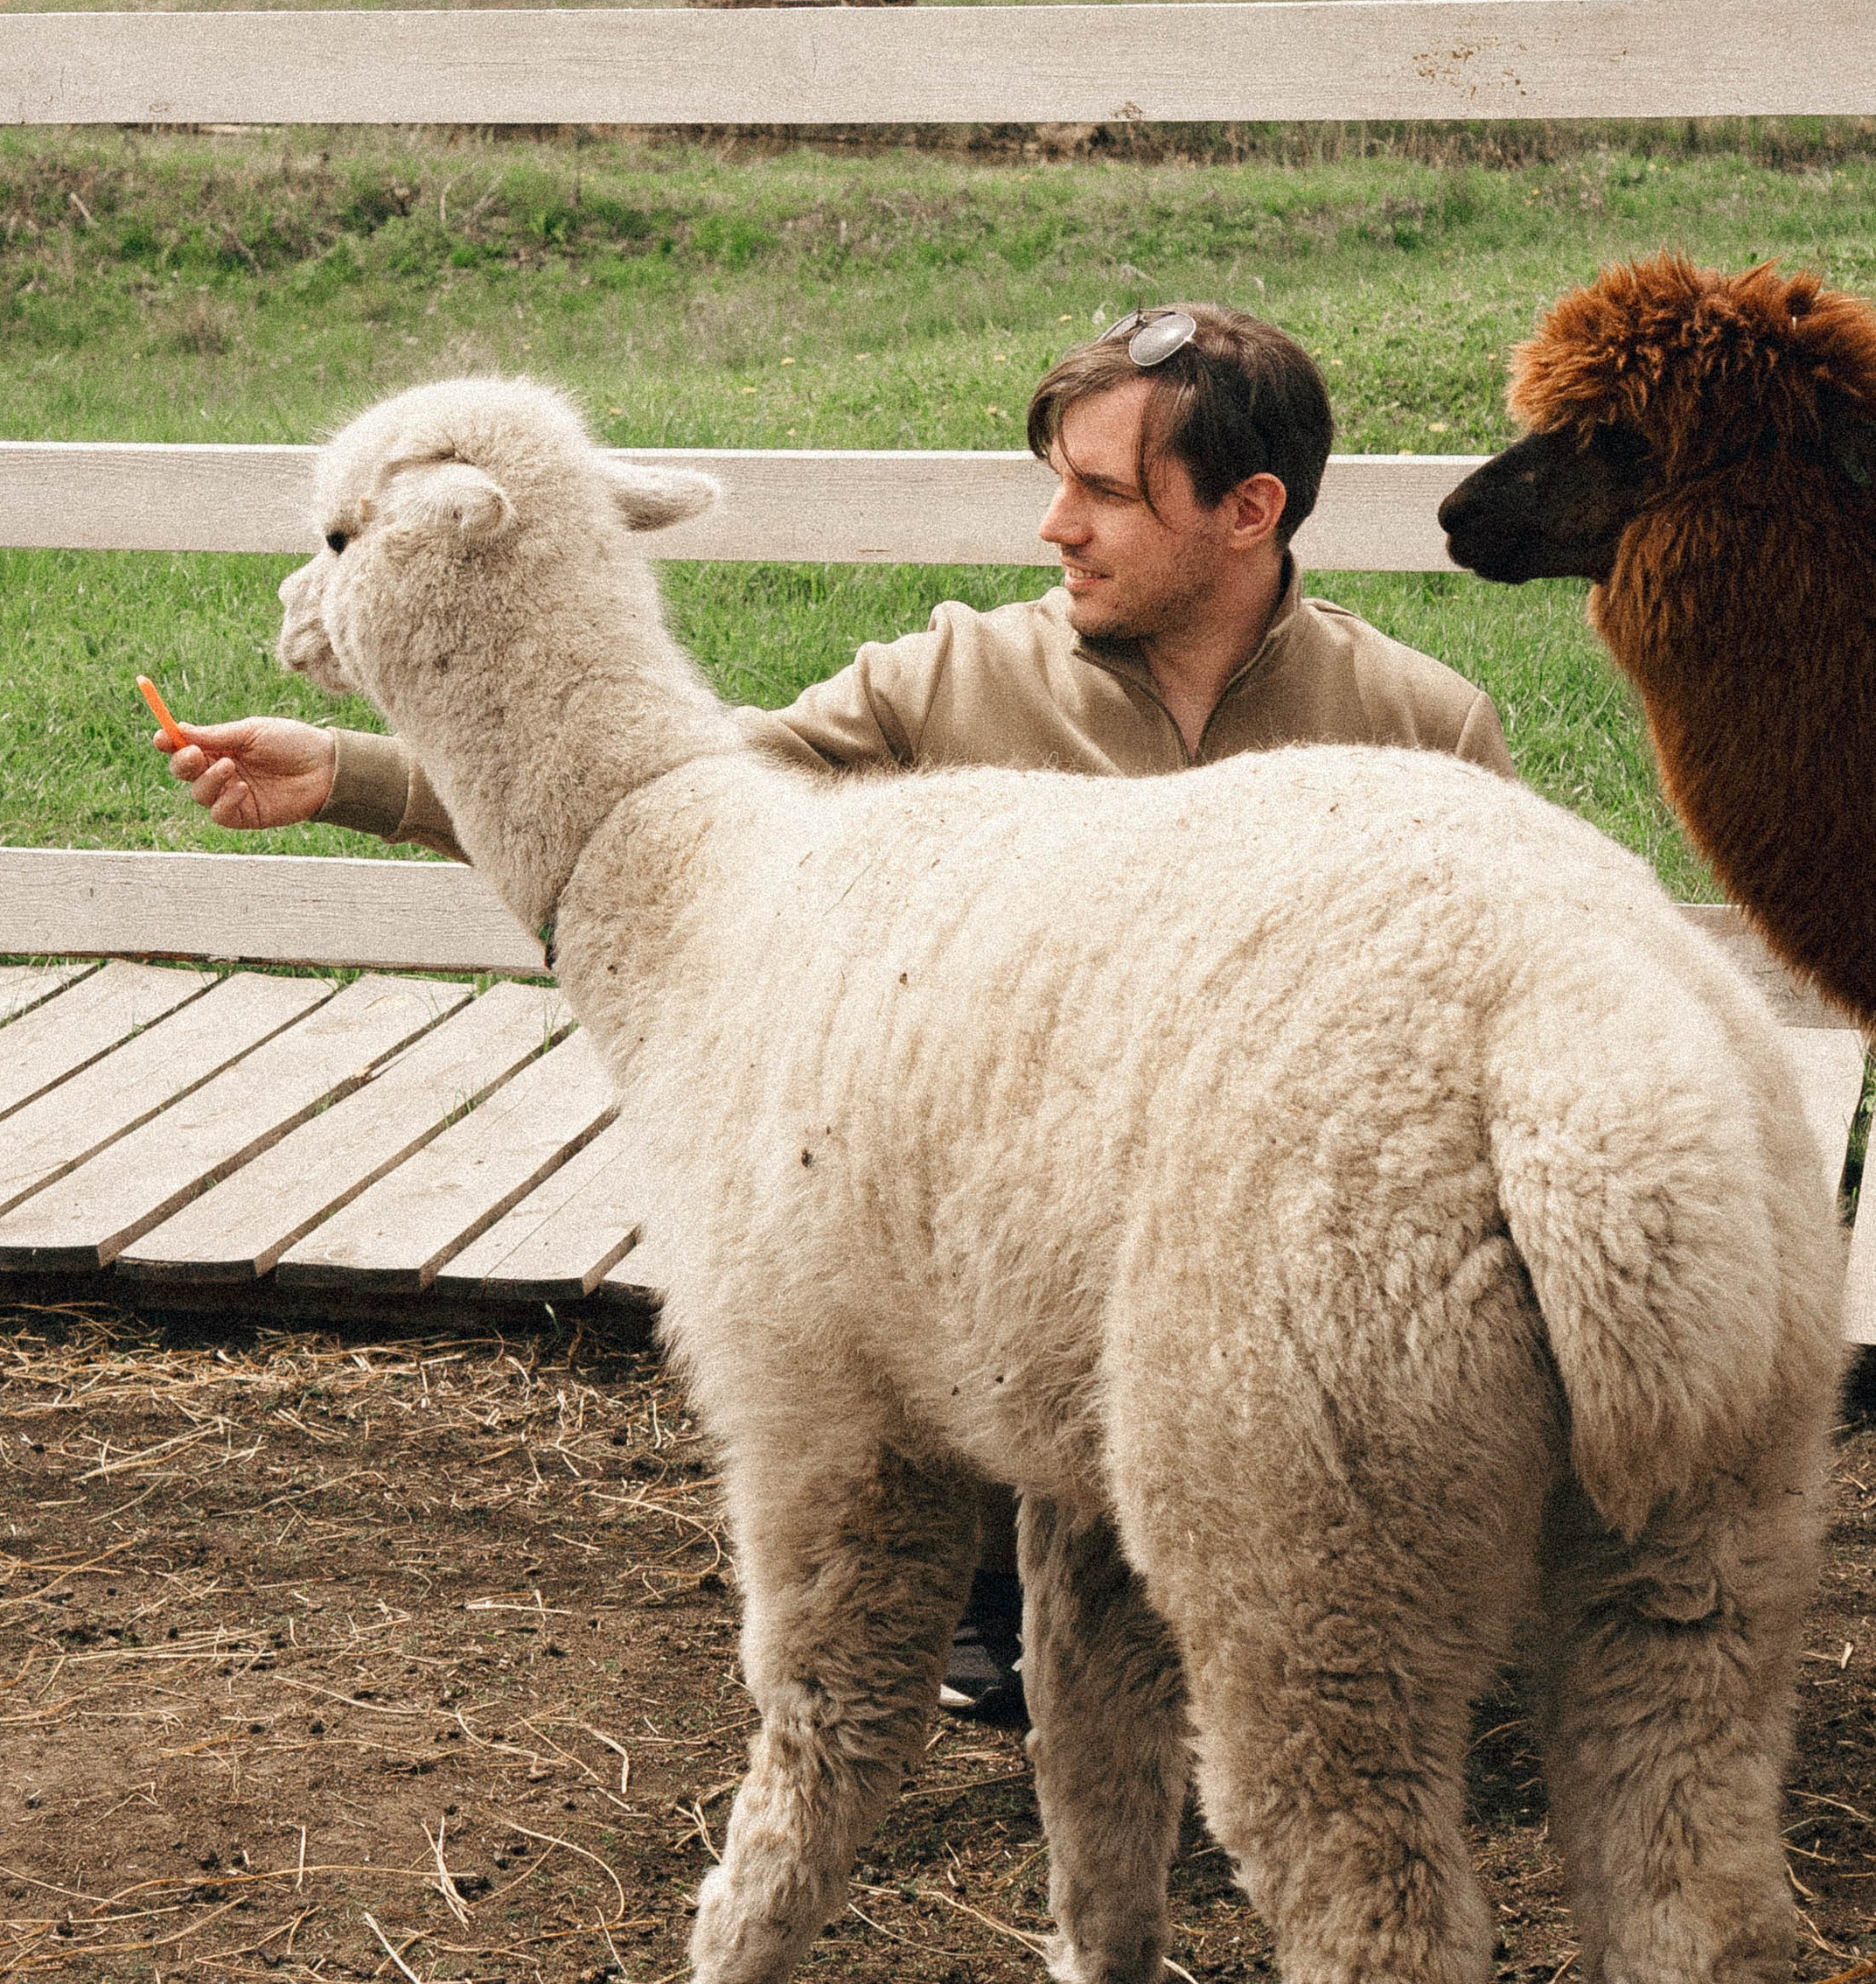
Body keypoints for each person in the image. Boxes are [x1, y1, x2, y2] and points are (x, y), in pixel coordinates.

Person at [158, 304, 1511, 1718]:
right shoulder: (947, 682)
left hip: (1281, 1281)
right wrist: (353, 776)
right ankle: (990, 1582)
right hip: (1038, 1285)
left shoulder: (1419, 732)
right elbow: (645, 822)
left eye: (1104, 491)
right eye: (1057, 479)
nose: (1056, 525)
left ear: (1251, 510)